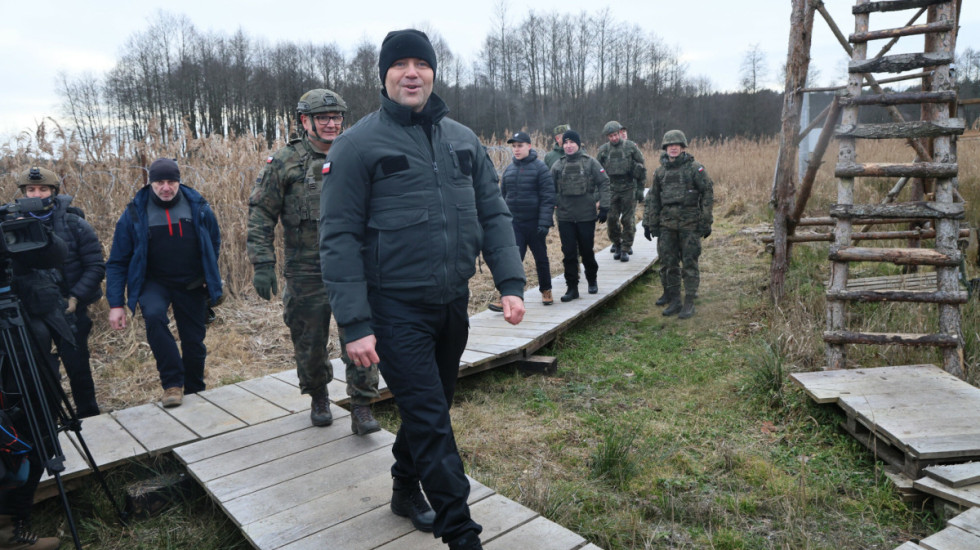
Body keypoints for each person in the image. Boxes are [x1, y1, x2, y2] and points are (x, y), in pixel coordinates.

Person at [319, 29, 526, 550]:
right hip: (394, 309)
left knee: (433, 405)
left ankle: (404, 487)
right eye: (400, 64)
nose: (412, 72)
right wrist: (356, 324)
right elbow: (338, 239)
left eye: (421, 63)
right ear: (385, 75)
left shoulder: (462, 139)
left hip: (452, 302)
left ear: (433, 72)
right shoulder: (356, 145)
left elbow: (493, 212)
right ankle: (462, 534)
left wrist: (510, 282)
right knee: (431, 421)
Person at [248, 89, 381, 432]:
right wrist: (262, 263)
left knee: (362, 334)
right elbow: (261, 213)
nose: (332, 124)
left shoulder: (355, 154)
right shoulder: (285, 161)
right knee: (309, 340)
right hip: (307, 269)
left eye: (336, 117)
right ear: (305, 121)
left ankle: (362, 404)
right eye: (323, 118)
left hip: (355, 267)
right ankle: (319, 396)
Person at [106, 158, 223, 407]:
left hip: (191, 282)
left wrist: (208, 278)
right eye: (160, 182)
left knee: (193, 340)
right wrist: (115, 303)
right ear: (150, 183)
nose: (166, 187)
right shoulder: (135, 213)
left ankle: (195, 389)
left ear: (179, 182)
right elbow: (117, 261)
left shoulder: (199, 208)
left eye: (171, 181)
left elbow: (212, 244)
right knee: (155, 317)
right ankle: (172, 384)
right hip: (153, 282)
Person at [0, 208, 69, 550]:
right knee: (13, 425)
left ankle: (15, 523)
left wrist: (26, 228)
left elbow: (58, 253)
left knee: (40, 421)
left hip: (25, 334)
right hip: (8, 351)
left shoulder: (12, 220)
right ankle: (10, 531)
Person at [17, 167, 104, 418]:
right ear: (22, 193)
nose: (37, 194)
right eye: (31, 190)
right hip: (29, 313)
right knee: (37, 367)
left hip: (69, 307)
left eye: (43, 189)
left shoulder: (75, 223)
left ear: (53, 192)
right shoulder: (9, 226)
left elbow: (95, 265)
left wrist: (75, 298)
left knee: (77, 366)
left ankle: (88, 415)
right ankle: (46, 418)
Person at [643, 130, 714, 319]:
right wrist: (650, 223)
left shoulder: (695, 169)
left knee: (690, 262)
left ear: (682, 147)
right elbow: (654, 199)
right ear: (665, 148)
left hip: (689, 223)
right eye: (669, 145)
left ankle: (689, 300)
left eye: (676, 145)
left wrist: (706, 220)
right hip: (667, 224)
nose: (673, 148)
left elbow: (707, 192)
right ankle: (674, 299)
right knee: (669, 263)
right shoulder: (660, 172)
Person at [488, 131, 555, 310]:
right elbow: (502, 198)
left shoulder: (541, 169)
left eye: (520, 146)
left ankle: (546, 290)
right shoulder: (509, 170)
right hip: (515, 224)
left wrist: (544, 222)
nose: (516, 150)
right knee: (513, 260)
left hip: (535, 223)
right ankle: (508, 297)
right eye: (514, 146)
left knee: (541, 258)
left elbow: (548, 197)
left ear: (529, 146)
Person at [550, 129, 610, 302]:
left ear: (578, 144)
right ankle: (572, 287)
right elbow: (549, 189)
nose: (568, 146)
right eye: (566, 143)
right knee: (568, 253)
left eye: (572, 143)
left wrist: (604, 206)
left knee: (587, 251)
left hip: (586, 216)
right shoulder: (558, 165)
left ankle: (592, 279)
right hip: (565, 217)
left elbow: (604, 182)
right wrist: (550, 210)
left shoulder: (590, 162)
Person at [596, 121, 646, 263]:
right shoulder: (603, 150)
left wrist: (641, 189)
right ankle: (617, 244)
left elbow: (642, 168)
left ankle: (625, 248)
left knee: (628, 220)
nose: (614, 138)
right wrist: (597, 194)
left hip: (629, 187)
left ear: (620, 133)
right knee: (611, 219)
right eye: (611, 136)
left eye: (616, 135)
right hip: (611, 188)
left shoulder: (630, 147)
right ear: (607, 137)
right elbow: (596, 172)